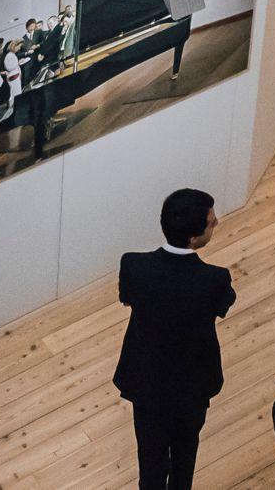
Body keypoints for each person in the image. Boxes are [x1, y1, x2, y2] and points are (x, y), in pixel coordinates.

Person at [115, 188, 235, 490]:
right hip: (192, 386)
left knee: (150, 462)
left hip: (146, 383)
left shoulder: (133, 266)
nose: (216, 223)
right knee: (184, 459)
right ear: (194, 239)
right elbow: (222, 306)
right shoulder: (216, 280)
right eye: (211, 221)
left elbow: (128, 300)